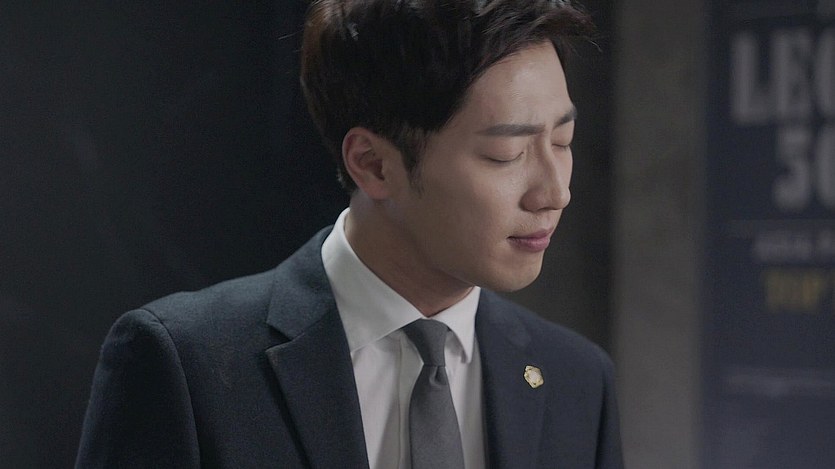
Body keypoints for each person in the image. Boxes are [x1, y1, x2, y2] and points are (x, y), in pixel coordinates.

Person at [76, 0, 623, 467]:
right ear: (373, 164)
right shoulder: (187, 367)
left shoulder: (577, 381)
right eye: (506, 153)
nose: (555, 192)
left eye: (563, 141)